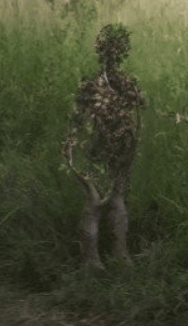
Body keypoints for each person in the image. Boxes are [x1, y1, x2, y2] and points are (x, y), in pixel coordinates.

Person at [62, 23, 144, 269]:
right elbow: (77, 119)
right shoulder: (93, 85)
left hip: (117, 150)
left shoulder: (122, 82)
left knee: (116, 199)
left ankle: (119, 254)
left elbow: (138, 108)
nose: (112, 54)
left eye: (116, 49)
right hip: (99, 147)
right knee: (95, 200)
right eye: (109, 49)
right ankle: (93, 260)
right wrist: (70, 148)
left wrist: (129, 142)